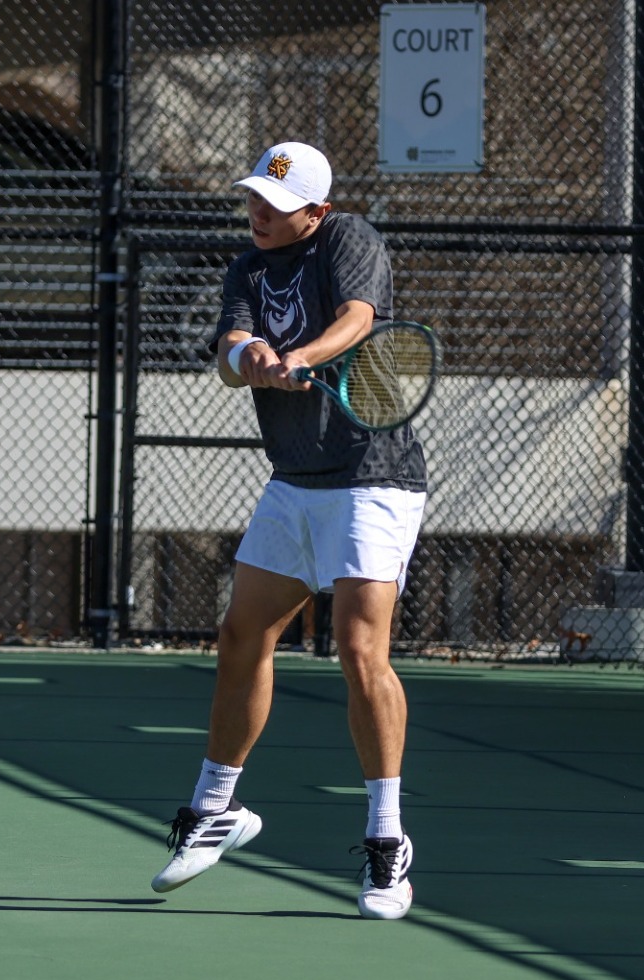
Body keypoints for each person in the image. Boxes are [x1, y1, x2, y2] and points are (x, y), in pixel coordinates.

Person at [151, 142, 428, 920]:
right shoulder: (247, 266)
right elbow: (227, 350)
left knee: (358, 650)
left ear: (317, 210)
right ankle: (216, 812)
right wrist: (256, 358)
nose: (260, 216)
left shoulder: (349, 241)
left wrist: (302, 355)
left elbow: (359, 318)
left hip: (374, 475)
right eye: (254, 202)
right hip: (295, 478)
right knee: (242, 635)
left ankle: (387, 844)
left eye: (277, 206)